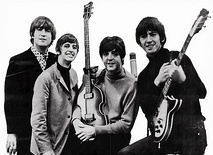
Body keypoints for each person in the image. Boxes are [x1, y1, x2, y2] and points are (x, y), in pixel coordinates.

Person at [118, 16, 207, 155]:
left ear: (162, 38)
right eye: (143, 36)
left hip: (191, 133)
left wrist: (183, 79)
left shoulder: (178, 58)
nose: (148, 40)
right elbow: (148, 111)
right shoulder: (143, 76)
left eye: (153, 34)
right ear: (139, 42)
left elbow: (202, 92)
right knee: (125, 153)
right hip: (164, 137)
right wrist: (156, 81)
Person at [72, 36, 138, 155]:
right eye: (105, 54)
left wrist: (95, 131)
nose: (109, 58)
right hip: (92, 130)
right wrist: (76, 121)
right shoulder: (97, 76)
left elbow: (126, 125)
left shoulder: (131, 84)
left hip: (114, 137)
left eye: (114, 54)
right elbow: (79, 104)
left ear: (122, 57)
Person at [4, 16, 57, 155]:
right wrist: (11, 132)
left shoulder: (57, 61)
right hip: (25, 130)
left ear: (52, 37)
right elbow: (10, 100)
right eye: (39, 29)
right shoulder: (17, 62)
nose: (43, 33)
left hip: (53, 131)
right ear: (32, 34)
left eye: (47, 30)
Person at [30, 33, 79, 155]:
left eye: (74, 47)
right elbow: (38, 119)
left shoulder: (74, 74)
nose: (71, 50)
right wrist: (46, 150)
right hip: (48, 147)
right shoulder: (45, 78)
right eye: (67, 46)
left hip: (66, 142)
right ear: (58, 50)